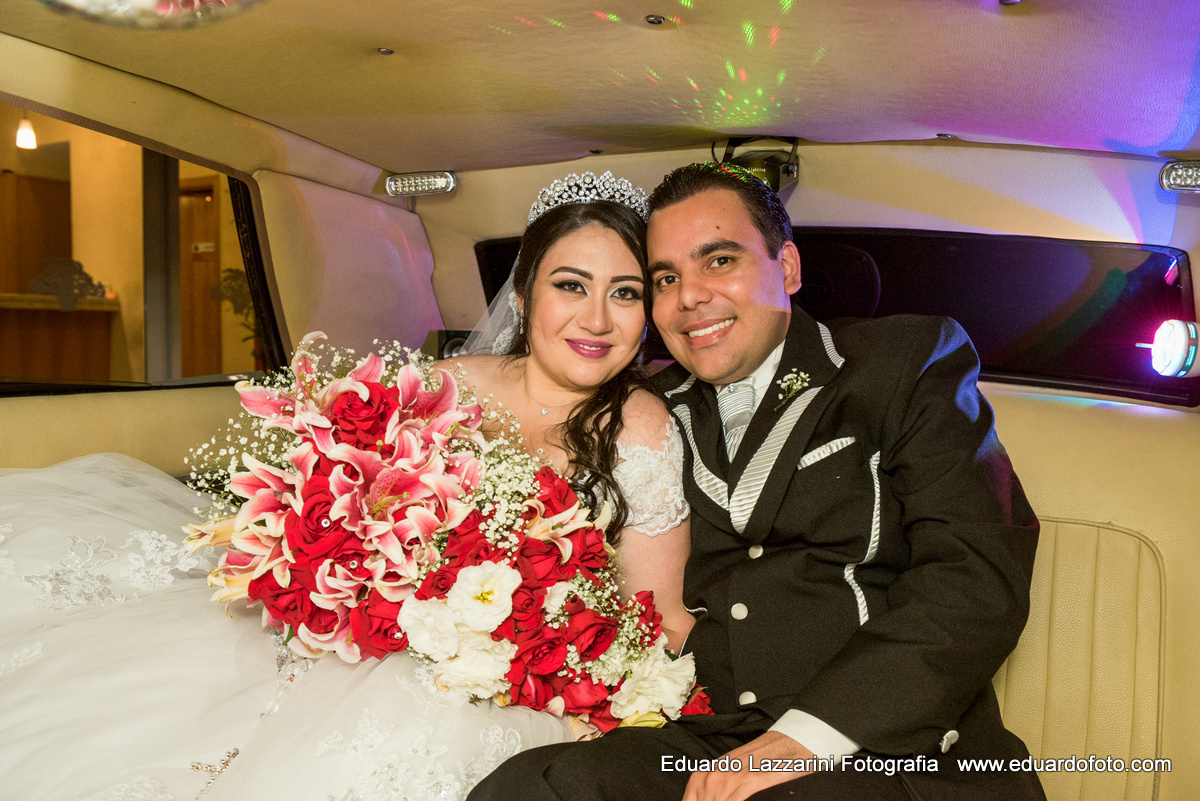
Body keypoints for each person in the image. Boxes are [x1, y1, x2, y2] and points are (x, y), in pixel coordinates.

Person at [0, 171, 693, 801]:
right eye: (571, 284)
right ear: (522, 293)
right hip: (364, 639)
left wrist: (609, 688)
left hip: (522, 678)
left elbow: (654, 611)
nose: (597, 319)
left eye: (624, 292)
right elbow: (343, 513)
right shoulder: (442, 388)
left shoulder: (641, 427)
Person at [469, 162, 1046, 801]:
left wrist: (811, 737)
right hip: (714, 733)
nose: (689, 296)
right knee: (532, 787)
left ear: (789, 269)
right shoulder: (643, 413)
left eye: (719, 261)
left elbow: (973, 576)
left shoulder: (902, 363)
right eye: (665, 278)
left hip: (891, 746)